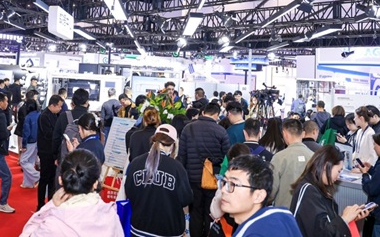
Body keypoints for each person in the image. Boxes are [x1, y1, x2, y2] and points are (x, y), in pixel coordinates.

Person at [20, 149, 124, 237]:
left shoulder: (54, 224)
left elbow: (27, 233)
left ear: (60, 180)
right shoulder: (111, 215)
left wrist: (51, 205)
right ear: (95, 183)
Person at [125, 124, 193, 237]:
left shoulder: (136, 163)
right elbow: (186, 199)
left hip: (139, 228)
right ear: (173, 145)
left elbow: (129, 192)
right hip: (169, 230)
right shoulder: (177, 168)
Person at [290, 145, 371, 237]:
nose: (338, 176)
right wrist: (344, 219)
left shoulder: (317, 188)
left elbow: (326, 224)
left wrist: (348, 218)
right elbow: (322, 233)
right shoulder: (309, 191)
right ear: (326, 166)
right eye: (339, 171)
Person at [178, 102, 230, 237]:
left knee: (195, 212)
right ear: (217, 114)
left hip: (192, 178)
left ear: (203, 112)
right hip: (212, 179)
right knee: (210, 212)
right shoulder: (221, 131)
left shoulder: (187, 129)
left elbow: (182, 156)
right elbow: (226, 157)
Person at [219, 155, 302, 237]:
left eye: (233, 184)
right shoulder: (280, 218)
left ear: (258, 196)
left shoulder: (256, 233)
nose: (223, 190)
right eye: (225, 182)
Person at [270, 118, 314, 208]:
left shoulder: (279, 157)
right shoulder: (314, 156)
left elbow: (272, 189)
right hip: (307, 209)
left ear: (284, 133)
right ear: (303, 134)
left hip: (284, 210)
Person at [36, 95, 63, 211]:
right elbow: (48, 134)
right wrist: (58, 135)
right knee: (44, 179)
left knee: (52, 179)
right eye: (59, 106)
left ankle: (51, 202)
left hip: (53, 152)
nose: (60, 109)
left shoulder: (55, 115)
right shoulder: (44, 116)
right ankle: (40, 204)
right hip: (45, 152)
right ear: (52, 105)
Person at [20, 99, 40, 189]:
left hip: (30, 142)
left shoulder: (28, 117)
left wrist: (23, 145)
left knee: (23, 161)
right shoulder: (39, 114)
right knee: (31, 162)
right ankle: (28, 183)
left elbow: (26, 132)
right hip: (38, 140)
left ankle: (37, 176)